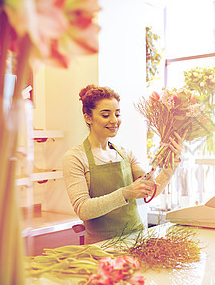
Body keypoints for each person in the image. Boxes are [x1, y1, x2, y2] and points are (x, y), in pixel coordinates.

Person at [62, 85, 183, 244]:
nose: (114, 120)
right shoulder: (75, 158)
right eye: (106, 115)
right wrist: (126, 193)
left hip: (137, 240)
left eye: (117, 114)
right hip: (102, 247)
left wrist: (171, 165)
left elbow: (150, 189)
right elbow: (84, 210)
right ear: (88, 117)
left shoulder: (126, 154)